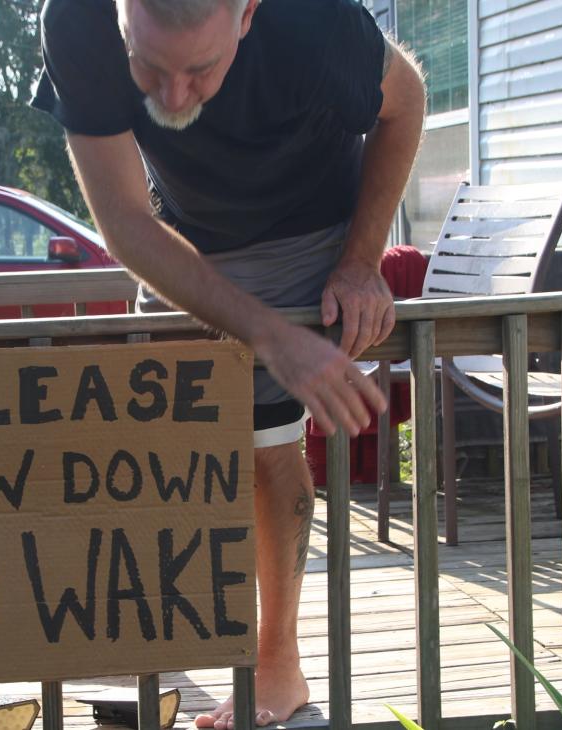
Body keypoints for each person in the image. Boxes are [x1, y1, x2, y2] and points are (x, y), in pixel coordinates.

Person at [31, 0, 426, 726]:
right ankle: (158, 641)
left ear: (247, 14)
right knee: (167, 443)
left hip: (306, 227)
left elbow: (407, 105)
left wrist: (361, 261)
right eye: (148, 66)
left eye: (200, 70)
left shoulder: (314, 22)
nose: (173, 97)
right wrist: (264, 334)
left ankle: (279, 668)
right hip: (177, 232)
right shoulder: (76, 20)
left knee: (268, 449)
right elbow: (120, 219)